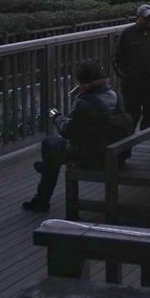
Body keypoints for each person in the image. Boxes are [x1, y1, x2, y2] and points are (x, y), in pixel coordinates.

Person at [22, 60, 133, 212]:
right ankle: (48, 166)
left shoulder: (84, 104)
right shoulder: (116, 96)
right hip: (117, 155)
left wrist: (56, 116)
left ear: (83, 81)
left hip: (94, 157)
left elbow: (68, 130)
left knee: (51, 144)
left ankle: (42, 199)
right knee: (55, 151)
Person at [112, 4, 150, 129]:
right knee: (131, 116)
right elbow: (117, 57)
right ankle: (127, 144)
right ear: (138, 17)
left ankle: (145, 140)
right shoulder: (127, 34)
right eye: (146, 17)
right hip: (132, 84)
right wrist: (124, 75)